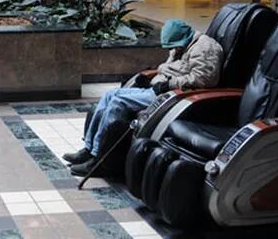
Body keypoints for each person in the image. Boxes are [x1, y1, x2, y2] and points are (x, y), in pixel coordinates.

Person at [63, 19, 224, 176]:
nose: (173, 50)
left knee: (117, 102)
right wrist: (151, 77)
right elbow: (170, 68)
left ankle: (99, 158)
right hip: (158, 89)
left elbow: (203, 79)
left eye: (174, 46)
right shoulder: (182, 44)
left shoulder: (204, 47)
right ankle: (88, 149)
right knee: (109, 94)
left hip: (170, 95)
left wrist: (169, 84)